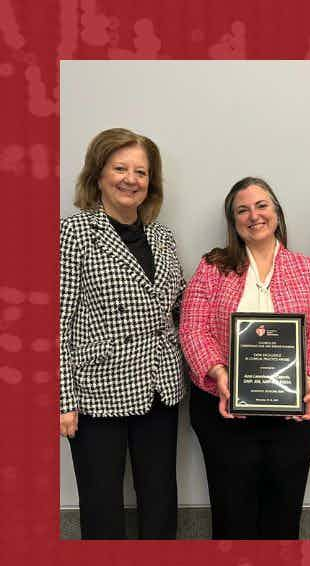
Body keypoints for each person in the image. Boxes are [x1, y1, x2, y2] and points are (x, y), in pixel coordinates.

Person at [179, 176, 310, 539]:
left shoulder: (309, 269)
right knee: (232, 514)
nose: (254, 215)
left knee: (283, 516)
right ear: (234, 222)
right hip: (224, 410)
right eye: (242, 210)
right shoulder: (213, 267)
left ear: (277, 212)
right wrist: (219, 374)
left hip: (294, 413)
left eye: (262, 205)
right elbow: (192, 328)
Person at [59, 128, 185, 539]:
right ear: (98, 174)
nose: (132, 179)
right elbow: (57, 321)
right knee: (101, 503)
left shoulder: (162, 236)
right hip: (97, 389)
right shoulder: (74, 233)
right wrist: (64, 399)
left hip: (160, 386)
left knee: (161, 496)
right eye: (120, 168)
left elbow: (178, 305)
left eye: (142, 172)